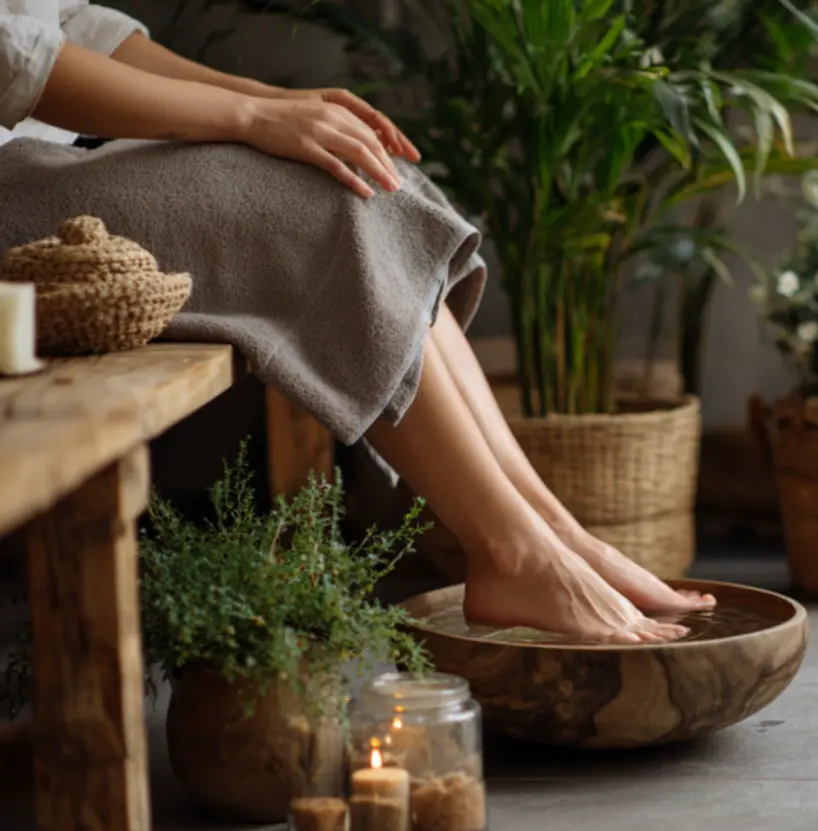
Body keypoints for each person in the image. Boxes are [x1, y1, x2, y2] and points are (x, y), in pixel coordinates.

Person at [0, 1, 713, 643]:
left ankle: (551, 530)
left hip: (51, 152)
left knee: (364, 170)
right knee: (318, 200)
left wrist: (274, 102)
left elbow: (66, 22)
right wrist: (250, 118)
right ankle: (512, 550)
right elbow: (15, 56)